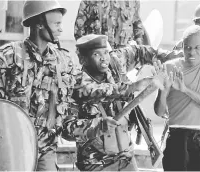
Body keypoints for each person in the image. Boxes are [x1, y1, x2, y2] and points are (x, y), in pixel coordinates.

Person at [61, 34, 170, 171]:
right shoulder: (75, 86)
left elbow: (138, 52)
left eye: (106, 52)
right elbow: (66, 129)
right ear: (83, 59)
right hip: (96, 164)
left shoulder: (115, 68)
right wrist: (97, 125)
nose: (104, 58)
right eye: (96, 54)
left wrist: (167, 57)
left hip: (126, 160)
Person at [0, 0, 78, 171]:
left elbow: (74, 100)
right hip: (13, 148)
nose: (61, 29)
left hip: (47, 149)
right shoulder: (8, 57)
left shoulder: (64, 62)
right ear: (39, 25)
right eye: (56, 23)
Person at [154, 25, 200, 171]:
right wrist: (164, 91)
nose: (192, 52)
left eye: (197, 47)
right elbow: (159, 112)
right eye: (188, 47)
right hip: (177, 137)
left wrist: (185, 90)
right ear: (182, 47)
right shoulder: (169, 68)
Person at [74, 0, 149, 49]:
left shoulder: (133, 1)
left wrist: (140, 49)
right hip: (97, 56)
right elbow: (78, 29)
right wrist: (86, 54)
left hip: (122, 57)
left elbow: (137, 24)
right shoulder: (88, 1)